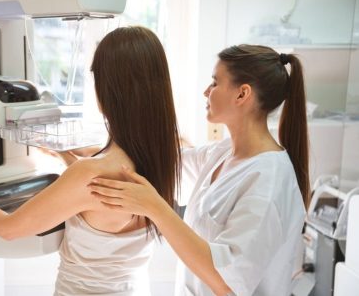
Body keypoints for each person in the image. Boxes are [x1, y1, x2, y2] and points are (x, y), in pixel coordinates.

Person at [0, 26, 181, 296]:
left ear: (109, 91)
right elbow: (100, 195)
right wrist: (61, 152)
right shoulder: (159, 158)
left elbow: (8, 229)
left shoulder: (89, 174)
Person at [89, 44, 309, 296]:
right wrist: (87, 154)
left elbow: (228, 284)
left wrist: (155, 207)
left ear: (242, 94)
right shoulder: (224, 153)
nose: (206, 91)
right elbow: (169, 163)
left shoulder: (268, 182)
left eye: (215, 83)